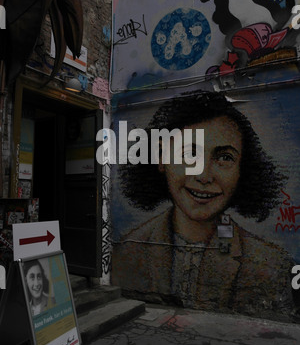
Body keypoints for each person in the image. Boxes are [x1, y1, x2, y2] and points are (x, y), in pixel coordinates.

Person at [112, 91, 299, 321]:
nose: (203, 175)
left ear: (243, 170)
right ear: (161, 158)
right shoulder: (126, 252)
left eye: (224, 157)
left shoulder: (272, 266)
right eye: (190, 154)